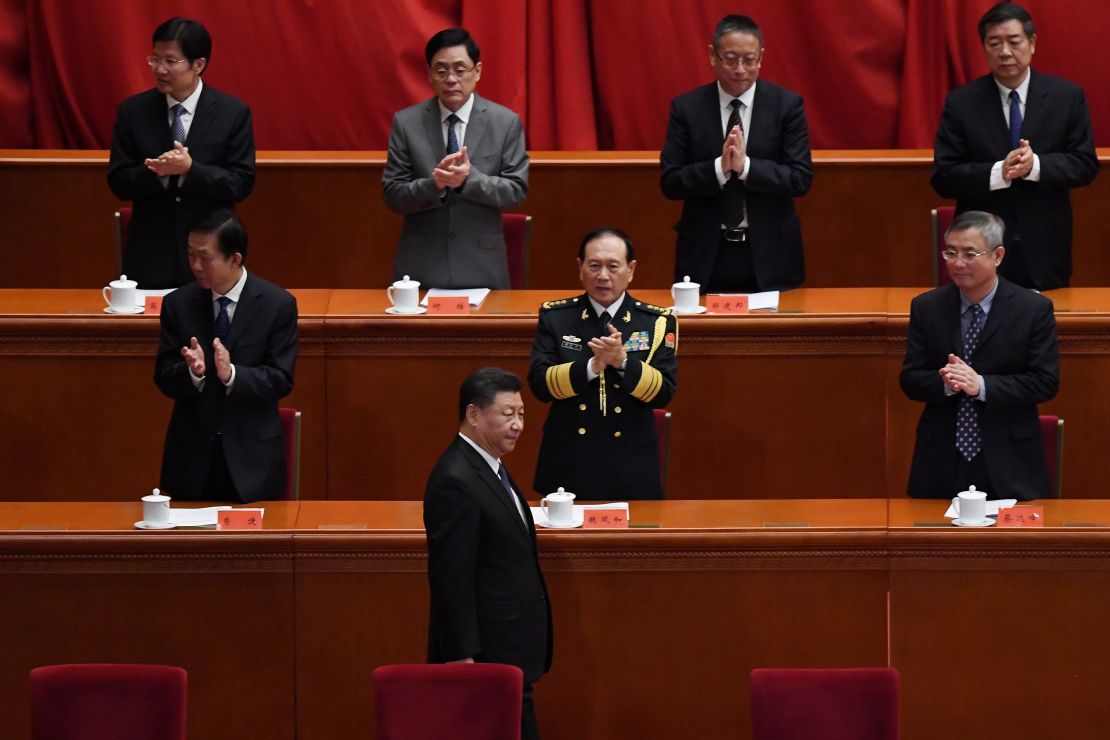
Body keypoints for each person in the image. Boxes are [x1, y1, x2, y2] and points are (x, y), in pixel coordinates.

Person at [931, 2, 1097, 291]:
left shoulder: (1066, 97)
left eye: (1014, 41)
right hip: (981, 250)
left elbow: (1084, 164)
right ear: (984, 47)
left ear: (1032, 43)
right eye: (994, 43)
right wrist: (999, 172)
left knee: (1043, 329)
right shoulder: (961, 103)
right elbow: (944, 176)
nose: (1005, 52)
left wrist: (1035, 166)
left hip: (1045, 248)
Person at [424, 367, 551, 740]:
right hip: (484, 656)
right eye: (507, 414)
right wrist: (462, 657)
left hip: (507, 648)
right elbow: (451, 576)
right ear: (474, 414)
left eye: (522, 414)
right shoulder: (455, 479)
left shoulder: (489, 466)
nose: (517, 425)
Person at [900, 211, 1058, 500]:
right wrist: (946, 382)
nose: (958, 263)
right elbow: (910, 378)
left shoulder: (1032, 309)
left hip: (1010, 458)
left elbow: (1045, 382)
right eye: (951, 252)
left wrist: (982, 386)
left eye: (970, 254)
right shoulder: (927, 307)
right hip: (940, 457)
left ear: (997, 256)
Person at [660, 14, 813, 294]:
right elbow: (670, 181)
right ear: (712, 56)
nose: (740, 69)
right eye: (730, 58)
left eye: (749, 59)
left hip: (771, 254)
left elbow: (800, 178)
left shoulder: (787, 106)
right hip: (705, 253)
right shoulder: (687, 108)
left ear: (761, 57)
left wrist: (746, 168)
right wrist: (719, 168)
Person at [154, 210, 297, 503]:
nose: (195, 265)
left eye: (205, 257)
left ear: (235, 259)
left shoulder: (277, 305)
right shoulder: (177, 304)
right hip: (191, 460)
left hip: (252, 462)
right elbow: (164, 375)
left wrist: (232, 374)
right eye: (191, 255)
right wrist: (192, 373)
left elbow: (281, 379)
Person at [529, 227, 677, 500]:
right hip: (570, 457)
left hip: (632, 462)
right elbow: (539, 384)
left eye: (613, 266)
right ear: (580, 268)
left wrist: (622, 362)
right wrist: (591, 367)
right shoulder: (556, 316)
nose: (603, 276)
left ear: (631, 270)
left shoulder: (656, 321)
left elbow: (664, 392)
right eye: (594, 266)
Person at [108, 17, 255, 289]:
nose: (160, 69)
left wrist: (190, 170)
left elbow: (240, 183)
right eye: (154, 59)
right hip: (149, 254)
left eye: (170, 61)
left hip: (210, 255)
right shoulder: (133, 111)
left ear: (198, 65)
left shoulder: (232, 113)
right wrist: (158, 172)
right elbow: (118, 180)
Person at [383, 28, 528, 290]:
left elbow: (515, 191)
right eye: (441, 70)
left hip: (482, 268)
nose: (451, 79)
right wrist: (435, 184)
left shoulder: (505, 123)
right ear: (429, 74)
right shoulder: (406, 123)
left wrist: (467, 180)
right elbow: (393, 194)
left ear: (478, 71)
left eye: (460, 70)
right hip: (420, 268)